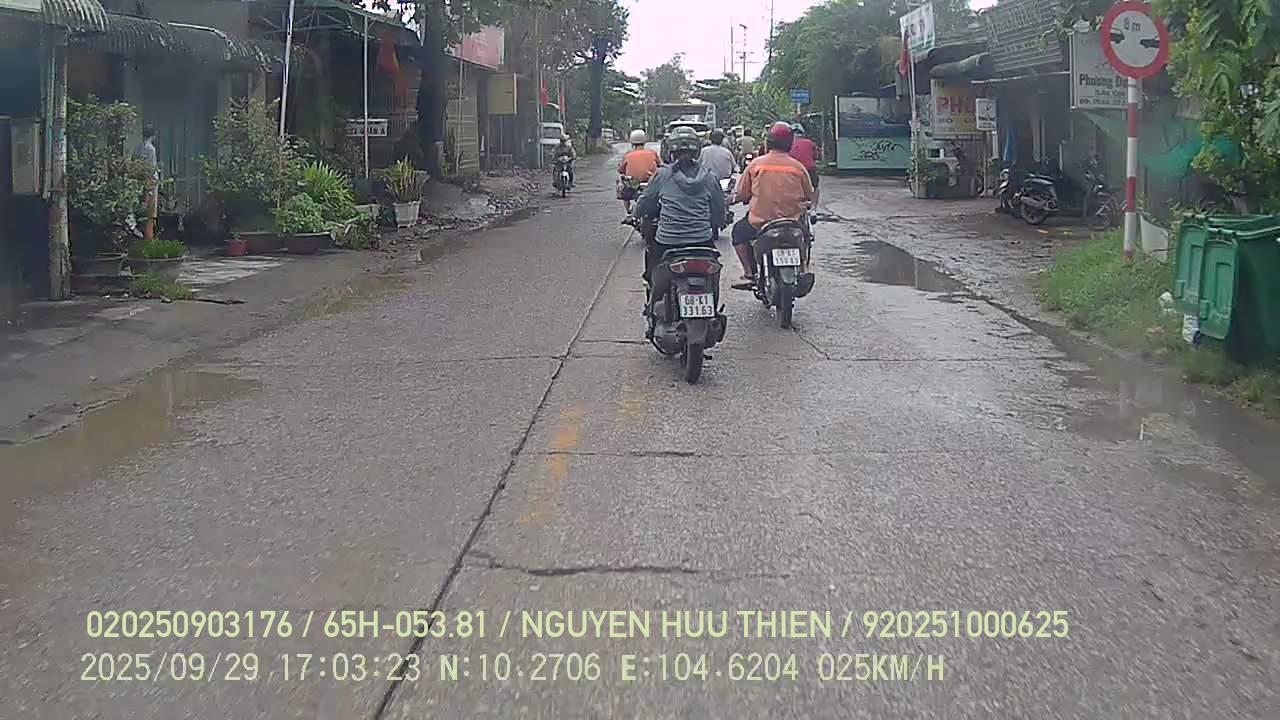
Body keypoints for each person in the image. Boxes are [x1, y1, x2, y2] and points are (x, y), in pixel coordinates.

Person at [631, 127, 724, 295]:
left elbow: (645, 202)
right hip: (702, 241)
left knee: (652, 266)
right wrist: (716, 222)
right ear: (697, 150)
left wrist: (636, 214)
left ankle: (653, 298)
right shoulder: (710, 177)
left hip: (668, 242)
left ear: (671, 151)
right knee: (713, 273)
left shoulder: (662, 175)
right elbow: (719, 210)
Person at [730, 121, 814, 290]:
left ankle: (749, 274)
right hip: (792, 223)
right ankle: (803, 268)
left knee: (738, 233)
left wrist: (734, 199)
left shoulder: (756, 165)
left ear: (768, 142)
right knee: (806, 237)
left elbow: (742, 194)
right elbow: (809, 195)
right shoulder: (798, 167)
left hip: (760, 224)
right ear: (790, 144)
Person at [617, 129, 661, 215]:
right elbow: (660, 166)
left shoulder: (627, 155)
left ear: (631, 142)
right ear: (644, 141)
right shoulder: (652, 153)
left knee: (622, 184)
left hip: (634, 184)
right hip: (651, 182)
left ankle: (628, 211)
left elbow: (621, 170)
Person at [134, 124, 160, 240]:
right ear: (153, 135)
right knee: (151, 214)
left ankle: (143, 237)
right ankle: (149, 239)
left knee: (142, 212)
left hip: (139, 181)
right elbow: (152, 168)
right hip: (150, 183)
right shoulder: (151, 149)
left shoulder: (137, 148)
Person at [789, 122, 822, 204]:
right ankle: (813, 208)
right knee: (815, 187)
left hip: (792, 170)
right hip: (809, 169)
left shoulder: (788, 143)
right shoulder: (810, 143)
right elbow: (816, 156)